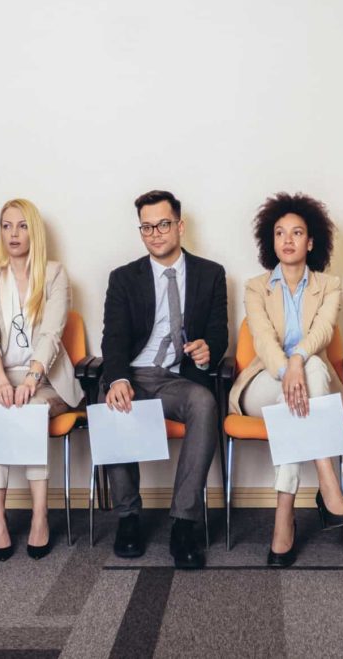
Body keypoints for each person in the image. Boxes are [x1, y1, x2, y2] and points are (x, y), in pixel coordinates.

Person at [228, 192, 343, 568]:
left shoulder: (329, 285)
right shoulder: (256, 286)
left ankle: (283, 514)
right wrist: (289, 370)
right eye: (280, 233)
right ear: (270, 241)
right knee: (308, 380)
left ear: (312, 241)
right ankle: (327, 477)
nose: (287, 240)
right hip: (263, 384)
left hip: (308, 383)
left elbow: (322, 331)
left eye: (297, 232)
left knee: (314, 372)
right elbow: (263, 339)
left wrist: (300, 360)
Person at [100, 190, 228, 569]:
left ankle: (184, 523)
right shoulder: (123, 278)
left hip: (176, 377)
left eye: (163, 224)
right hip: (135, 375)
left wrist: (209, 349)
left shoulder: (211, 273)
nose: (155, 233)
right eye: (147, 227)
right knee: (114, 405)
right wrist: (117, 378)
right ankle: (128, 518)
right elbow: (114, 337)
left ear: (180, 226)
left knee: (204, 402)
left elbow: (218, 333)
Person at [0, 199, 84, 561]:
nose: (13, 234)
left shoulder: (53, 273)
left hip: (46, 380)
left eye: (21, 226)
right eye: (6, 226)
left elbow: (51, 333)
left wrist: (30, 380)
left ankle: (39, 515)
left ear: (34, 231)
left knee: (29, 409)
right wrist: (2, 382)